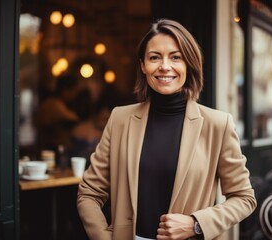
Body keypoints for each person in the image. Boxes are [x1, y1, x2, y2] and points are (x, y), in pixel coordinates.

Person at [77, 19, 257, 240]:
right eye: (154, 57)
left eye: (176, 57)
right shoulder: (120, 119)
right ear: (143, 65)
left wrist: (196, 224)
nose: (164, 66)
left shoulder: (218, 124)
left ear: (188, 64)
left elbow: (244, 198)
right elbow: (89, 194)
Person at [35, 74, 81, 151]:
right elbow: (75, 119)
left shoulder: (51, 103)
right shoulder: (55, 105)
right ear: (65, 90)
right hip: (52, 148)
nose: (75, 95)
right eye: (74, 91)